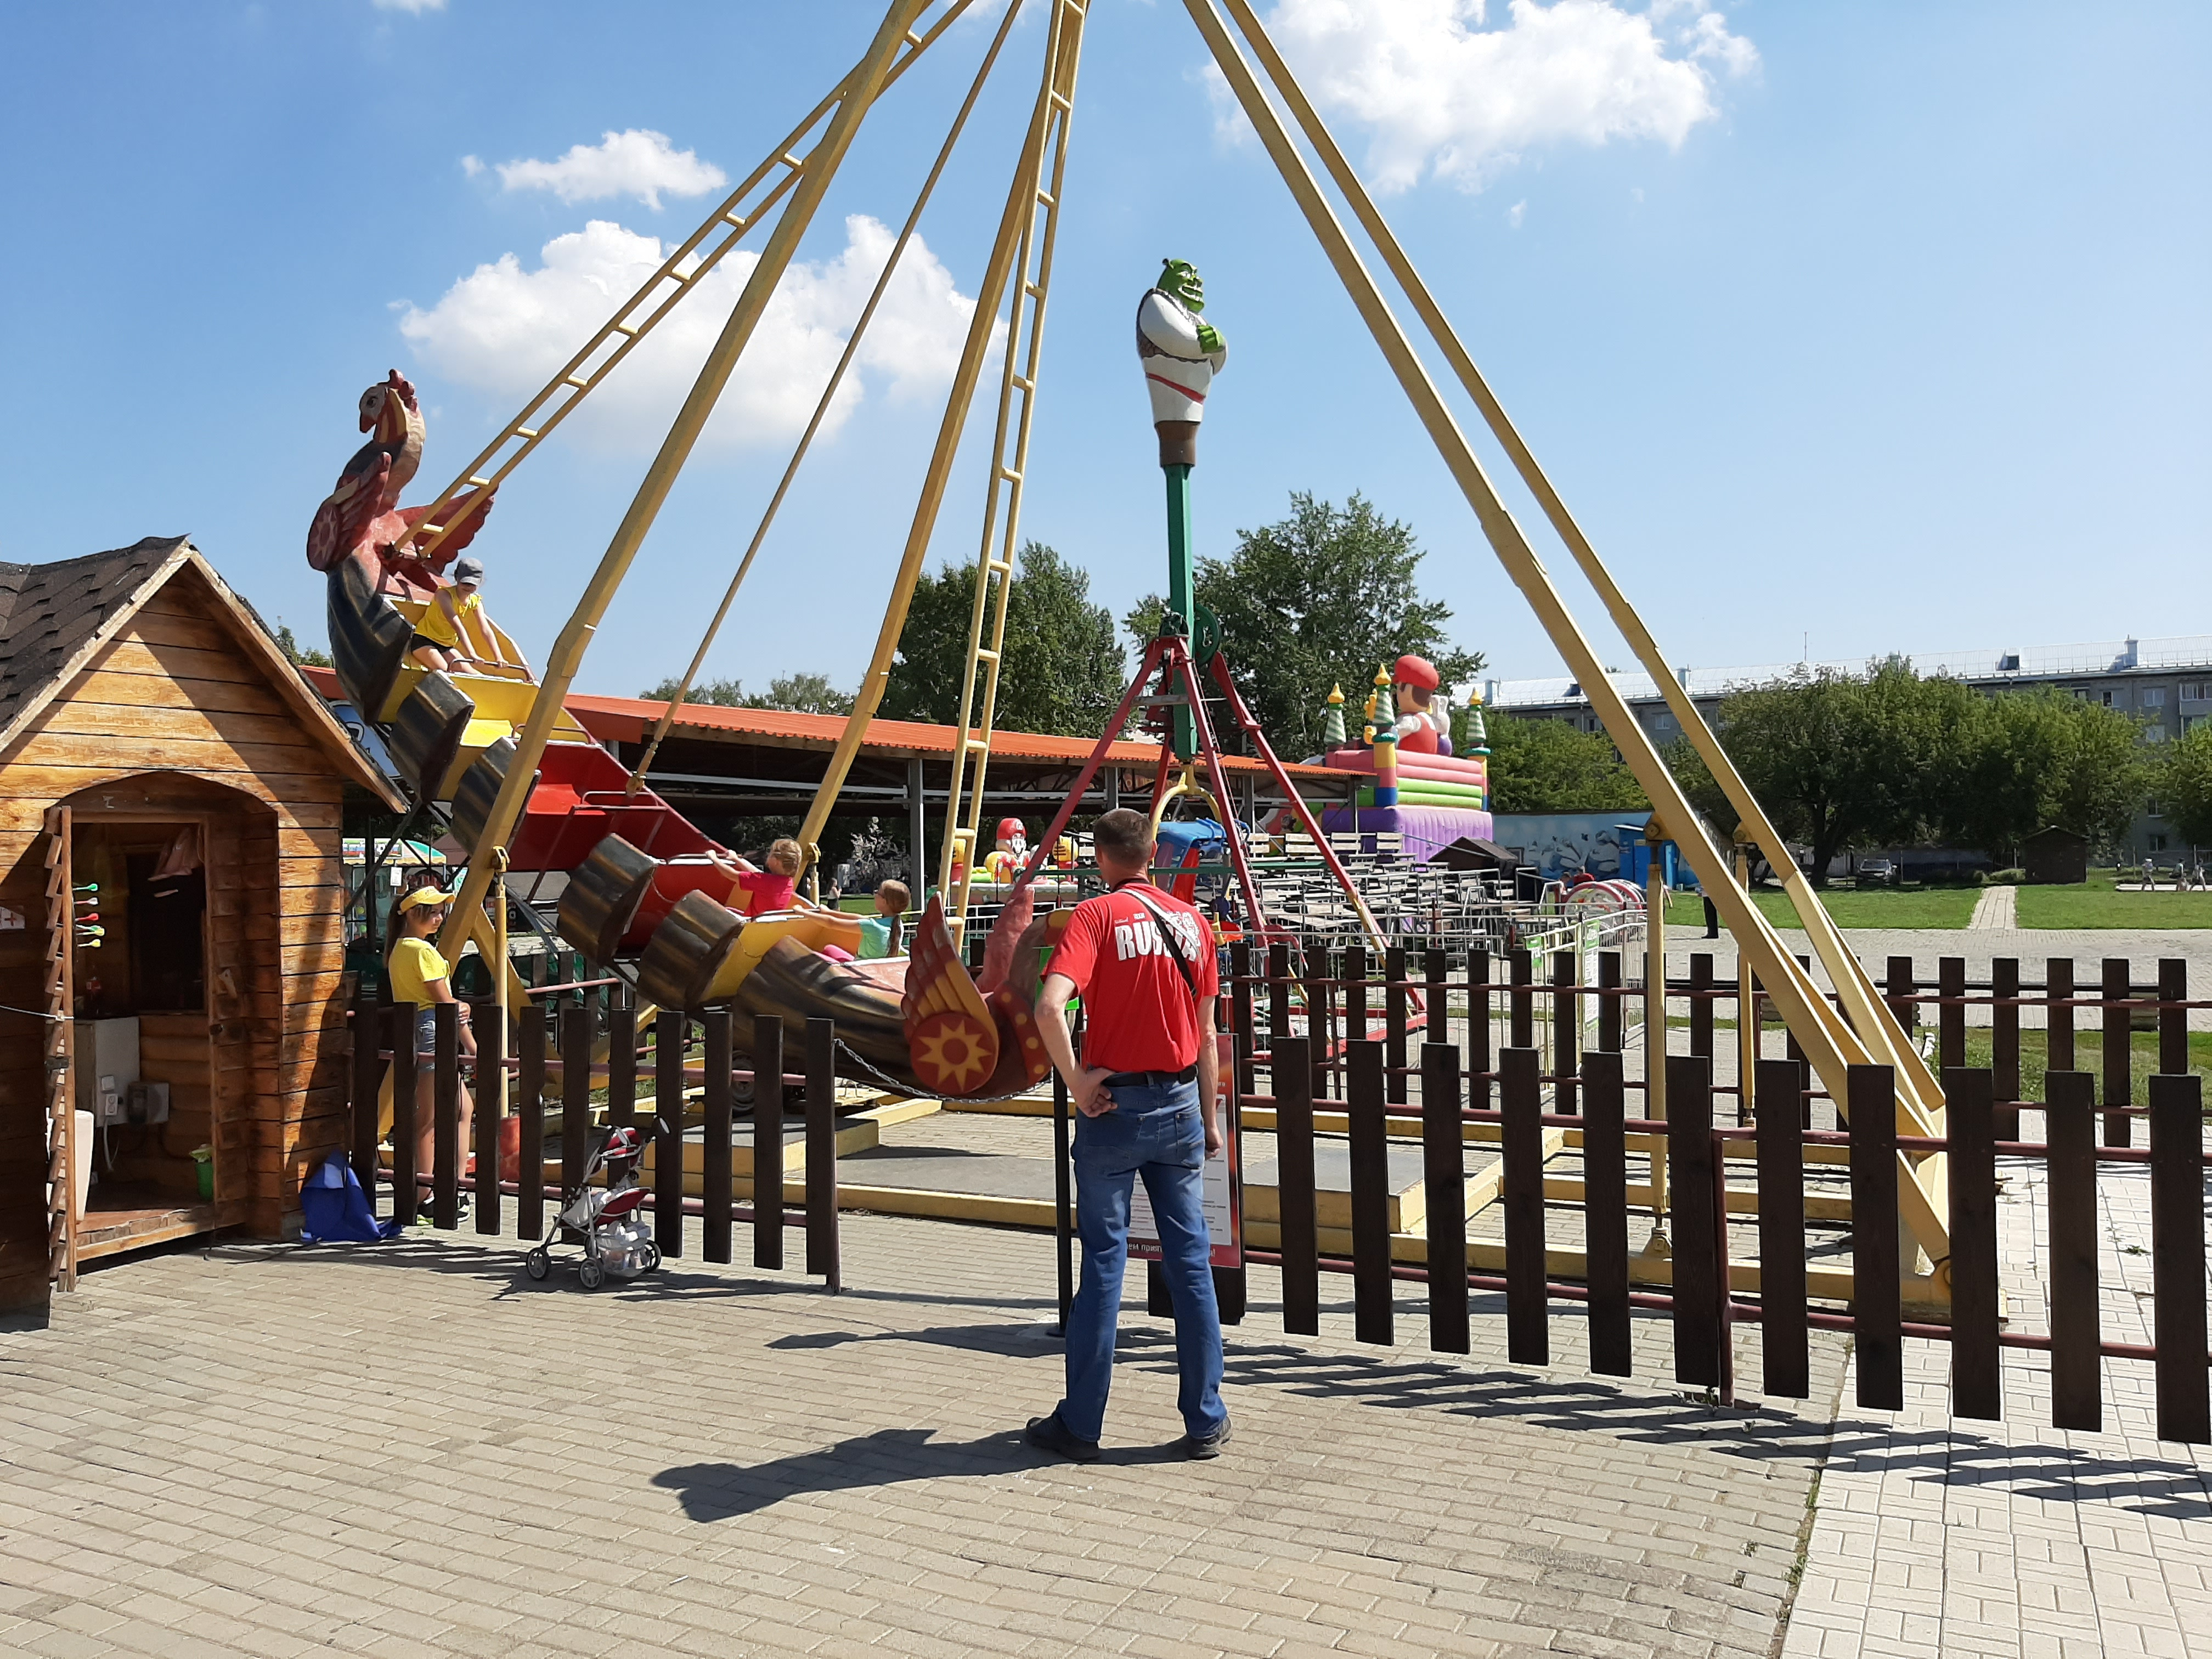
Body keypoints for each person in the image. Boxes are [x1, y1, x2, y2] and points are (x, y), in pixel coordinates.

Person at [1027, 807, 1230, 1463]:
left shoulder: (1095, 916)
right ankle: (1205, 1418)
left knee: (1105, 1267)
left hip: (1113, 1111)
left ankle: (1081, 1423)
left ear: (1103, 855)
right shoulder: (1194, 923)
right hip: (1178, 1106)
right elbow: (1203, 1036)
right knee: (1191, 1264)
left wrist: (1077, 1082)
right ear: (1152, 854)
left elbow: (1049, 1006)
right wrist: (1212, 1118)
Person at [386, 883, 476, 1198]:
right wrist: (475, 1047)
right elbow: (445, 1004)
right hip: (432, 1028)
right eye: (432, 913)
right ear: (412, 914)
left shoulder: (400, 949)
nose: (439, 919)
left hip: (418, 1026)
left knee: (460, 1108)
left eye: (441, 913)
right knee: (432, 1115)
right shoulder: (423, 951)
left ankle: (451, 1184)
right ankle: (427, 1191)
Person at [409, 557, 509, 674]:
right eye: (465, 583)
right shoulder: (444, 595)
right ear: (457, 578)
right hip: (424, 641)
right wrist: (472, 654)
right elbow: (458, 626)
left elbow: (486, 630)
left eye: (473, 584)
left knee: (474, 675)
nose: (468, 587)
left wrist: (499, 657)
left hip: (446, 646)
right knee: (446, 673)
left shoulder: (476, 602)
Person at [709, 836, 808, 918]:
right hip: (762, 926)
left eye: (771, 853)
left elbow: (731, 874)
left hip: (748, 926)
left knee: (709, 908)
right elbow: (758, 874)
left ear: (777, 862)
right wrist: (737, 860)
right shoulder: (788, 882)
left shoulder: (765, 882)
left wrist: (713, 858)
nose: (768, 855)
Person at [859, 878, 911, 960]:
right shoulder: (898, 924)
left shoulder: (874, 926)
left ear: (884, 901)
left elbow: (833, 923)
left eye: (877, 893)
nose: (875, 895)